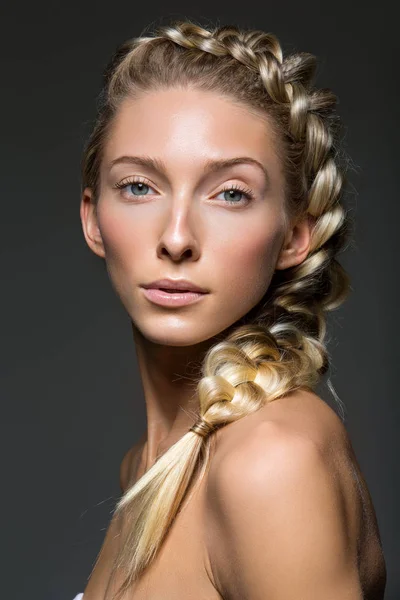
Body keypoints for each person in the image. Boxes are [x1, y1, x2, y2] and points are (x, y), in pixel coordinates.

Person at [76, 19, 387, 600]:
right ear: (93, 219)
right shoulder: (146, 467)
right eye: (140, 186)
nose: (176, 238)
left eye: (231, 193)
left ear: (295, 236)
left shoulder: (271, 459)